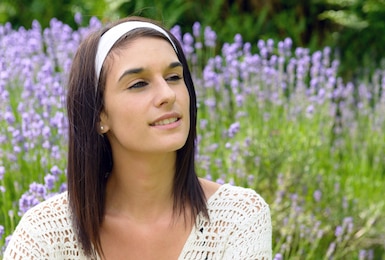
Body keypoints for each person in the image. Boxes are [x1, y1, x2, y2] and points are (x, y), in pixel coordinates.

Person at [4, 16, 272, 259]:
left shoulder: (237, 218)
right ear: (100, 116)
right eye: (139, 84)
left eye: (174, 77)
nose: (168, 94)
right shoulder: (45, 236)